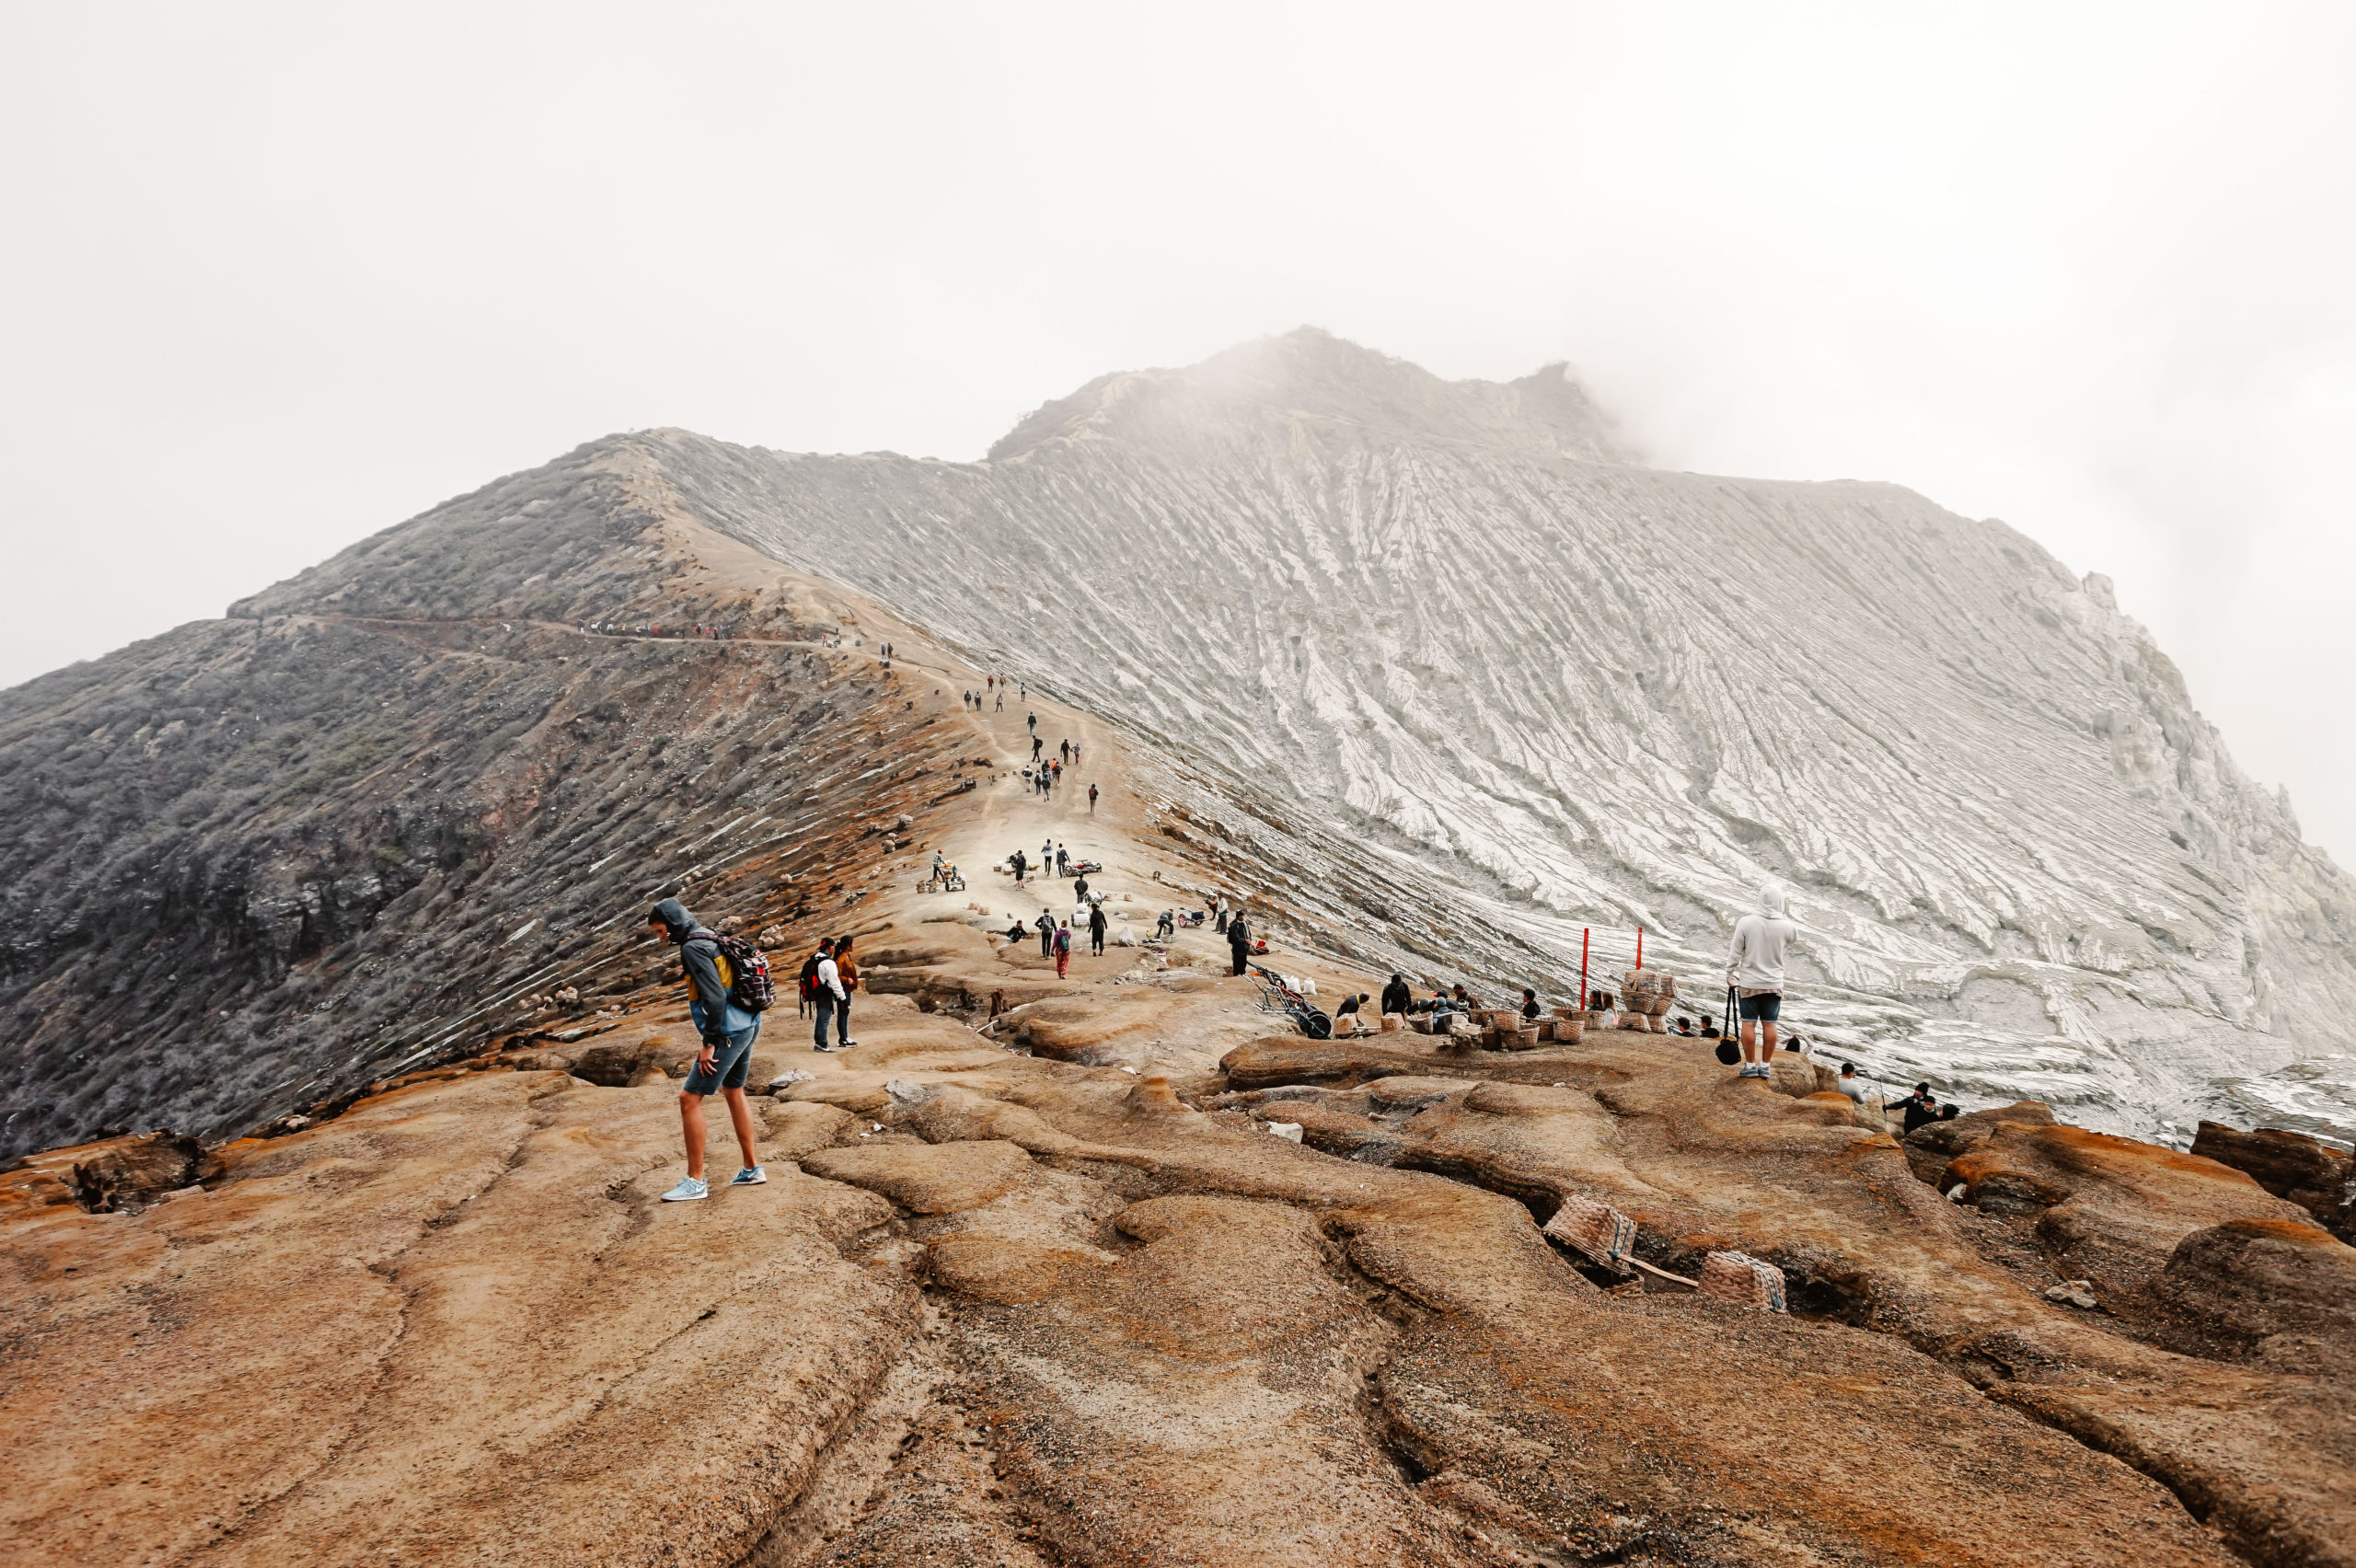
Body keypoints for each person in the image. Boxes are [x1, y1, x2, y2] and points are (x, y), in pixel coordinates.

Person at [648, 898, 762, 1202]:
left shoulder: (692, 947)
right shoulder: (708, 934)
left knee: (689, 1099)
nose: (660, 938)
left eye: (660, 931)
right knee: (734, 1090)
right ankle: (751, 1169)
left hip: (727, 1031)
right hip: (749, 1021)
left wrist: (708, 1044)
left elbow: (714, 998)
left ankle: (695, 1181)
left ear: (672, 924)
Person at [1725, 882, 1799, 1080]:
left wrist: (1729, 972)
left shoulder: (1746, 922)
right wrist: (1783, 915)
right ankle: (1765, 1066)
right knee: (1770, 1025)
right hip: (1774, 984)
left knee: (1748, 1024)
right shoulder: (1786, 926)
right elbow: (1794, 937)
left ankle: (1750, 1066)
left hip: (1749, 983)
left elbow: (1735, 951)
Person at [813, 937, 855, 1053]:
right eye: (833, 947)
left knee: (820, 1018)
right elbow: (835, 982)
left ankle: (819, 1042)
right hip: (826, 993)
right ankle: (822, 1044)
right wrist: (843, 997)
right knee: (824, 1019)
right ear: (829, 947)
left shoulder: (816, 957)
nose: (834, 949)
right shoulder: (828, 962)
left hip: (817, 992)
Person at [832, 935, 860, 1049]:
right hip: (843, 989)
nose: (853, 946)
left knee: (845, 1012)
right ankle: (842, 1039)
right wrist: (846, 979)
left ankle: (845, 1037)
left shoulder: (847, 956)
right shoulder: (840, 960)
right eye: (851, 944)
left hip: (847, 989)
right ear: (848, 946)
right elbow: (837, 975)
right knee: (843, 1013)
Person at [1226, 909, 1252, 975]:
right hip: (1237, 948)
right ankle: (1236, 975)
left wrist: (1249, 940)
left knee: (1243, 962)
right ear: (1238, 916)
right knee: (1237, 963)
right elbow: (1235, 938)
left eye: (1243, 915)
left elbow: (1248, 933)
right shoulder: (1234, 925)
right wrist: (1245, 940)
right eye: (1241, 916)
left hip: (1244, 947)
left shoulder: (1244, 923)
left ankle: (1242, 974)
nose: (1242, 917)